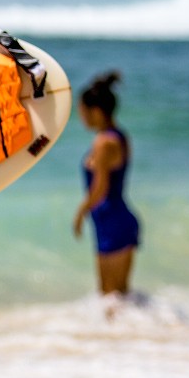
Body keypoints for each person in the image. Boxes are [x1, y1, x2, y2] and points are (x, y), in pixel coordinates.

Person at [72, 71, 138, 295]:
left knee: (109, 295)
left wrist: (80, 212)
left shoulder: (103, 143)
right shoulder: (119, 135)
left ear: (96, 112)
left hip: (112, 221)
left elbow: (100, 188)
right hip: (115, 219)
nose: (80, 117)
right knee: (118, 296)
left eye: (82, 111)